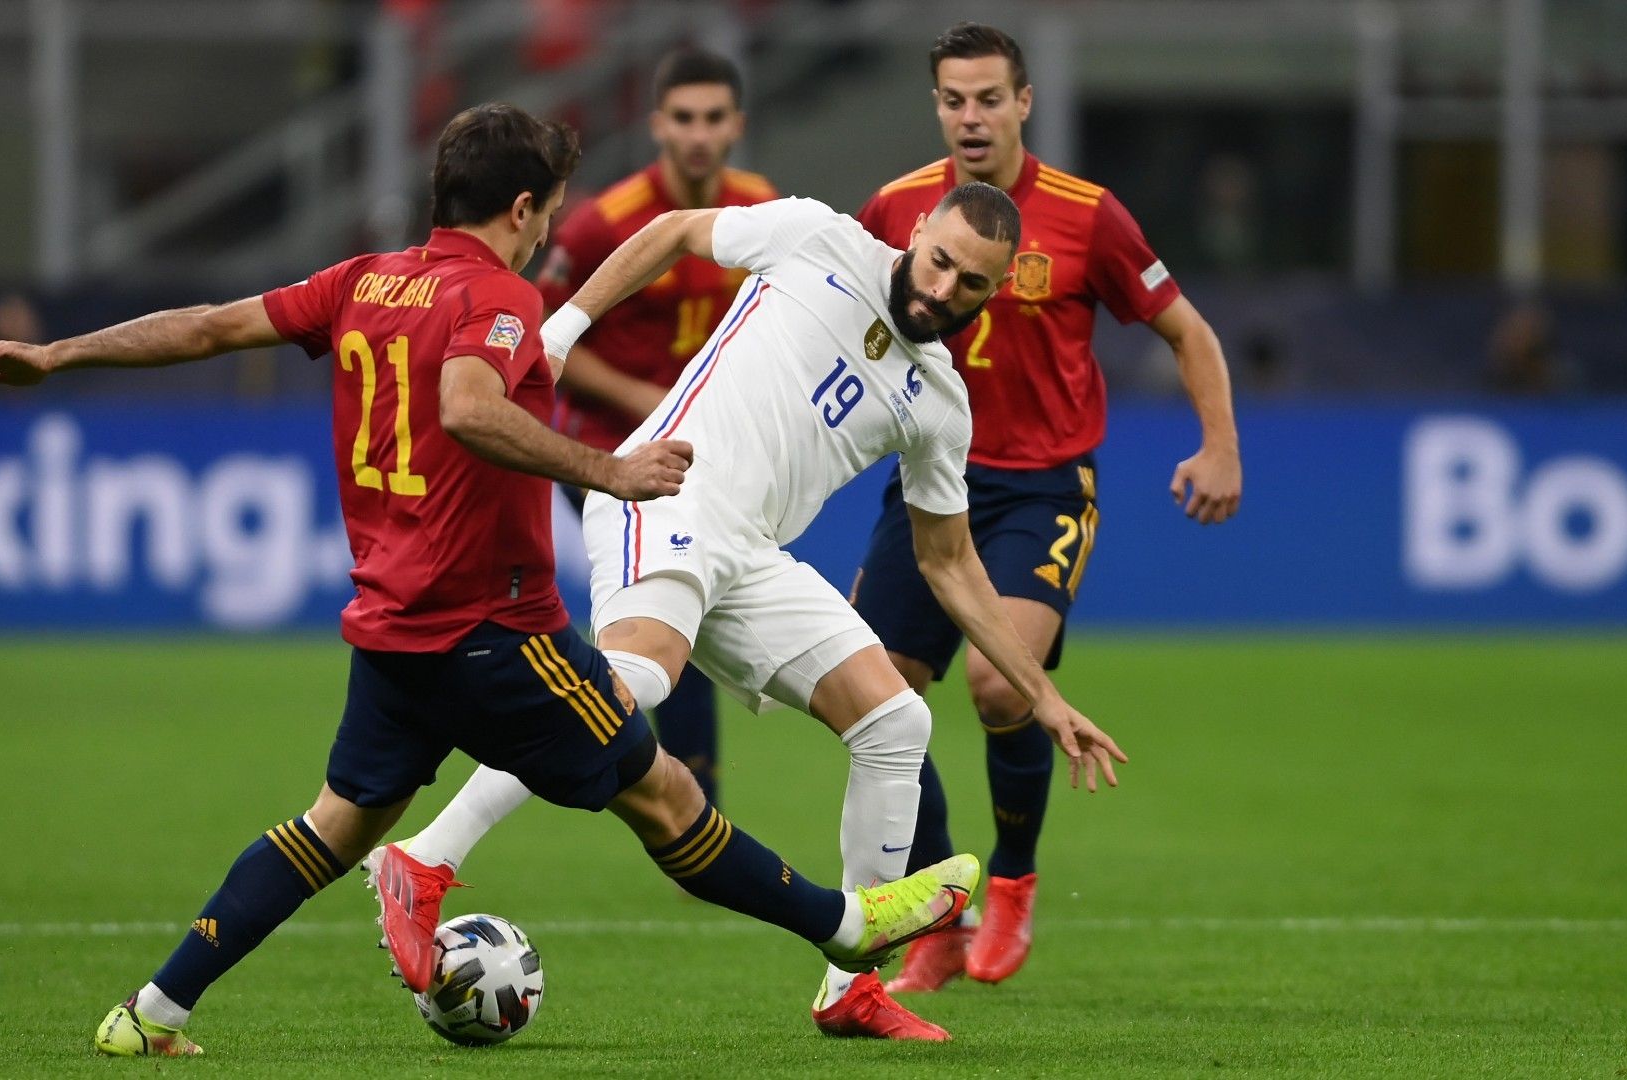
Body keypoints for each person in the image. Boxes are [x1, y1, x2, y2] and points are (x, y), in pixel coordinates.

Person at [0, 102, 974, 1057]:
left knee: (326, 830)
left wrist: (58, 354)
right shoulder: (500, 298)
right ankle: (850, 926)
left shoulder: (360, 281)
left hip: (390, 630)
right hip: (496, 630)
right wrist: (609, 469)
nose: (544, 234)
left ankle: (148, 1013)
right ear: (521, 207)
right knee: (668, 798)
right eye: (548, 213)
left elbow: (207, 325)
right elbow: (473, 407)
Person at [376, 182, 1126, 1041]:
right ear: (917, 233)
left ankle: (852, 984)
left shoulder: (940, 400)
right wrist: (562, 327)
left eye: (971, 285)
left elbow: (949, 563)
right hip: (662, 494)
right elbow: (676, 231)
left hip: (752, 555)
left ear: (997, 293)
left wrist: (1047, 698)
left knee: (896, 724)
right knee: (638, 679)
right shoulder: (817, 235)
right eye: (941, 261)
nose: (943, 289)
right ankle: (423, 857)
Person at [853, 23, 1244, 993]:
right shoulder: (899, 207)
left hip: (1042, 485)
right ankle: (944, 903)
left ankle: (1017, 881)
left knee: (997, 685)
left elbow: (1185, 330)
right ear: (936, 105)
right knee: (874, 698)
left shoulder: (1088, 216)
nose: (971, 117)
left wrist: (1220, 444)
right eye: (954, 100)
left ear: (1025, 102)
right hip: (927, 480)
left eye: (990, 98)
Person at [537, 45, 778, 810]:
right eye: (683, 118)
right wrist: (648, 396)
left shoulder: (759, 205)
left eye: (713, 118)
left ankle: (670, 792)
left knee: (683, 624)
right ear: (657, 126)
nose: (698, 134)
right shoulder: (603, 223)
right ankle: (678, 795)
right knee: (673, 614)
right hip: (609, 455)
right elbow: (549, 340)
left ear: (736, 124)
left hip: (703, 458)